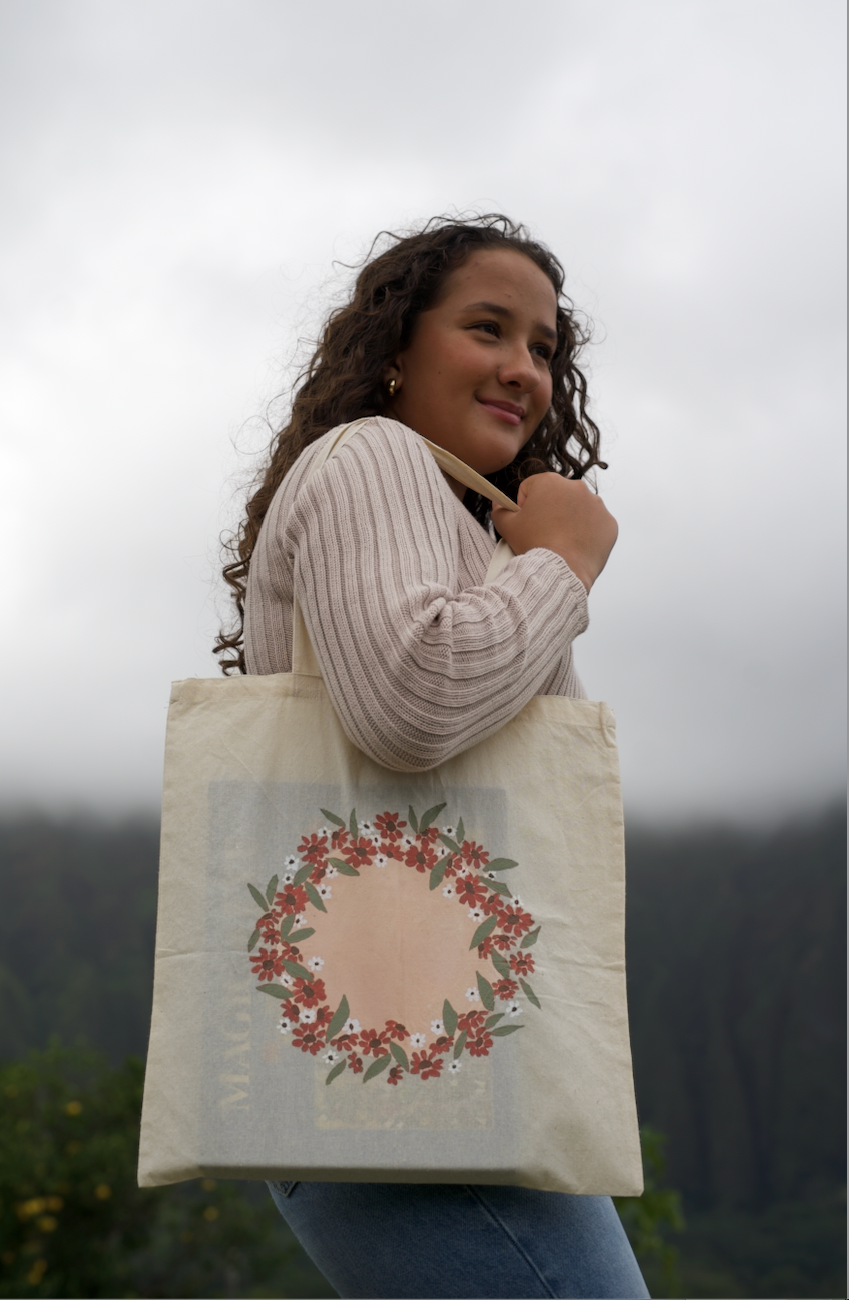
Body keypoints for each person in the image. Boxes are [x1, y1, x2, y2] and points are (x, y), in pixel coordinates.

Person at [215, 214, 649, 1300]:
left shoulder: (449, 511)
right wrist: (564, 562)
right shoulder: (376, 458)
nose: (523, 369)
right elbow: (412, 703)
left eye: (544, 348)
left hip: (430, 1054)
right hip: (414, 1074)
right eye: (487, 329)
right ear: (396, 349)